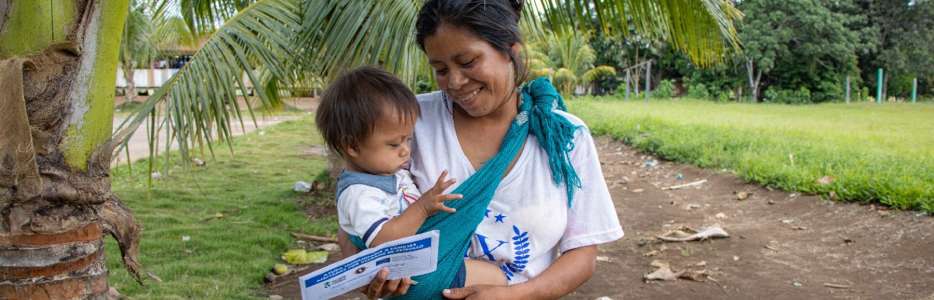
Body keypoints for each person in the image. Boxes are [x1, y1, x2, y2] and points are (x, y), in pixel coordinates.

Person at [342, 0, 624, 298]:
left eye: (467, 62)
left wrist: (517, 295)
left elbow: (582, 253)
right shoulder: (410, 122)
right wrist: (367, 271)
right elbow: (356, 201)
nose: (455, 81)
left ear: (511, 51)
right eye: (440, 69)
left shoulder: (565, 136)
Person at [315, 66, 507, 292]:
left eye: (408, 140)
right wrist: (423, 207)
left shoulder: (383, 172)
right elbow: (383, 240)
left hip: (421, 265)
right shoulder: (359, 193)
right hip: (413, 274)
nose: (406, 151)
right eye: (395, 144)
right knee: (496, 280)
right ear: (353, 146)